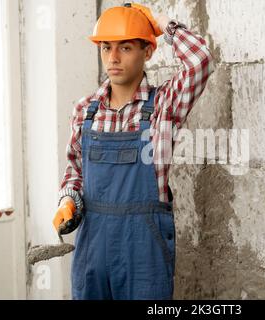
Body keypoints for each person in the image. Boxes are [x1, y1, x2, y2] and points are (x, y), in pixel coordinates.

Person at [52, 3, 214, 300]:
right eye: (106, 48)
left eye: (125, 48)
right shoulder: (84, 110)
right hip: (94, 248)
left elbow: (200, 61)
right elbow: (75, 170)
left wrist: (159, 21)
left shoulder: (164, 106)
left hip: (144, 250)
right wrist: (68, 201)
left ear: (148, 52)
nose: (112, 58)